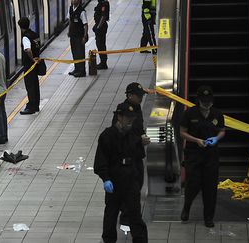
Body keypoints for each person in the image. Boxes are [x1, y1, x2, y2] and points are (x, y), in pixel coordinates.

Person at [94, 103, 149, 243]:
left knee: (135, 214)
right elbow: (100, 161)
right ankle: (108, 240)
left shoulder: (132, 136)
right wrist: (106, 179)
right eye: (127, 118)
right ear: (119, 117)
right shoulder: (107, 136)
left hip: (130, 181)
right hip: (114, 181)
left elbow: (138, 157)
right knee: (111, 215)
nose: (130, 121)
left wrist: (142, 143)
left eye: (132, 119)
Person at [180, 85, 225, 228]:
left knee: (210, 187)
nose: (207, 104)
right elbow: (182, 132)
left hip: (211, 155)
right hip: (194, 154)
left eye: (209, 102)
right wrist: (196, 140)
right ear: (198, 100)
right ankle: (187, 207)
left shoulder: (217, 114)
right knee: (193, 184)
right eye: (204, 102)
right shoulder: (189, 114)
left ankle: (208, 217)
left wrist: (216, 138)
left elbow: (222, 130)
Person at [112, 82, 149, 226]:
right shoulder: (122, 109)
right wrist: (139, 139)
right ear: (129, 95)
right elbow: (119, 132)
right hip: (126, 155)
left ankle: (131, 211)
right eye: (138, 96)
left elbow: (138, 128)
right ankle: (126, 214)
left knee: (138, 183)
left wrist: (142, 137)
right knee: (129, 186)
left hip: (137, 154)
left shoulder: (138, 107)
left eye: (141, 96)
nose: (141, 98)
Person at [18, 17, 41, 115]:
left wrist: (32, 59)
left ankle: (31, 107)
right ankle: (36, 105)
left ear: (20, 27)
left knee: (30, 86)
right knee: (35, 85)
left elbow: (27, 49)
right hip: (36, 64)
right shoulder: (35, 34)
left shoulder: (25, 37)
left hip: (29, 66)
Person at [68, 0, 88, 77]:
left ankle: (82, 71)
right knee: (74, 52)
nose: (73, 0)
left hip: (79, 36)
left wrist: (84, 36)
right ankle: (76, 68)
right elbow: (70, 20)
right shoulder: (70, 9)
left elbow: (85, 25)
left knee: (80, 53)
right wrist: (69, 31)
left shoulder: (82, 11)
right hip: (73, 35)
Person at [93, 0, 110, 70]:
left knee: (101, 45)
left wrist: (98, 27)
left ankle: (103, 63)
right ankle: (102, 62)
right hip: (100, 26)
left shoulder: (104, 4)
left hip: (101, 27)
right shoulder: (101, 3)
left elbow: (103, 16)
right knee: (99, 44)